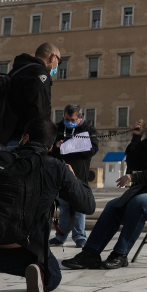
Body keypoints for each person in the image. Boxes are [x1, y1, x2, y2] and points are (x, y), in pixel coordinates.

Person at [0, 118, 95, 292]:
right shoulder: (55, 166)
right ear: (50, 147)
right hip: (22, 252)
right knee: (54, 275)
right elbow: (88, 205)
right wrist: (75, 179)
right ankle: (38, 271)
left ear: (25, 138)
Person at [62, 107, 147, 270]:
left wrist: (136, 177)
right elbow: (135, 162)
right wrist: (136, 137)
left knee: (138, 203)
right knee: (113, 205)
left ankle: (120, 254)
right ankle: (90, 253)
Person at [49, 104, 99, 248]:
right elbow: (49, 149)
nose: (68, 121)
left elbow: (93, 148)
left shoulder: (88, 129)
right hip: (61, 174)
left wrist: (76, 144)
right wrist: (57, 146)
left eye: (72, 119)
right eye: (66, 118)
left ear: (79, 118)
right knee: (64, 207)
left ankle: (80, 237)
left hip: (79, 175)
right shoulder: (58, 128)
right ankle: (61, 236)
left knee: (79, 207)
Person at [3, 42, 61, 150]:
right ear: (53, 58)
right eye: (59, 61)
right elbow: (39, 110)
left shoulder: (17, 70)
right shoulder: (40, 73)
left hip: (9, 137)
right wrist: (46, 139)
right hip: (28, 141)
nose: (57, 66)